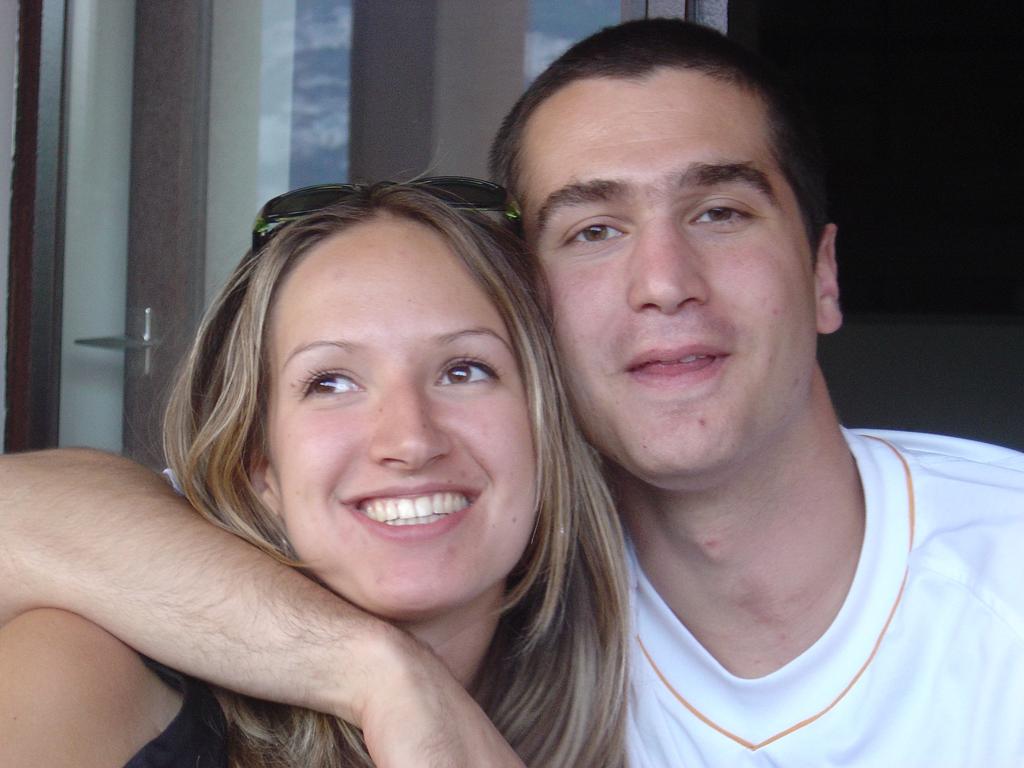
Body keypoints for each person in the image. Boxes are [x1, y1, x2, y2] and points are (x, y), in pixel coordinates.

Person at [3, 17, 1023, 766]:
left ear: (824, 273)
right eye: (593, 230)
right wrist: (379, 675)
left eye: (719, 212)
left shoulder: (531, 595)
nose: (664, 281)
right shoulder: (419, 558)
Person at [0, 184, 630, 766]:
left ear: (544, 434)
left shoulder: (631, 703)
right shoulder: (84, 679)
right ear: (260, 466)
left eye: (464, 371)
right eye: (331, 382)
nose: (411, 441)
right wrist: (378, 673)